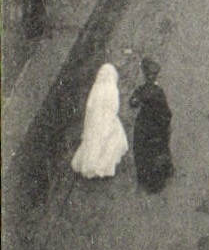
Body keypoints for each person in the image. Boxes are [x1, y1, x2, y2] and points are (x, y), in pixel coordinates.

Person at [71, 62, 128, 179]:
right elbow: (114, 106)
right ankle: (104, 166)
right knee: (109, 140)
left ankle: (92, 164)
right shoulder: (112, 89)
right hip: (107, 118)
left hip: (95, 119)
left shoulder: (96, 88)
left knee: (94, 141)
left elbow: (90, 106)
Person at [129, 58, 173, 192]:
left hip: (145, 126)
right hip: (158, 126)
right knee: (159, 150)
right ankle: (161, 175)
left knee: (144, 152)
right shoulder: (158, 92)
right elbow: (166, 112)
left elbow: (132, 102)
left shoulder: (142, 90)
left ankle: (147, 179)